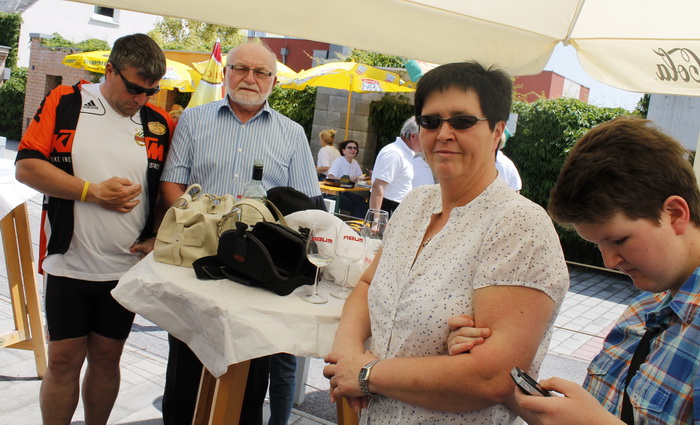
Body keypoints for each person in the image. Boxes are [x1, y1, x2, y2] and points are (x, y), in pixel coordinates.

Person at [322, 61, 569, 424]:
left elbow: (492, 377)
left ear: (497, 132)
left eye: (462, 121)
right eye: (431, 121)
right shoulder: (416, 204)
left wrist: (366, 375)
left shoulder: (518, 225)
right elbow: (368, 283)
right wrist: (346, 350)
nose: (444, 133)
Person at [448, 116, 700, 424]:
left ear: (675, 213)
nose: (609, 262)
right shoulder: (645, 308)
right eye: (598, 245)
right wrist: (487, 368)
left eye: (619, 240)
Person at [159, 41, 324, 425]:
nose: (250, 78)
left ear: (273, 81)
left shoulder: (292, 133)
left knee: (249, 377)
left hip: (258, 271)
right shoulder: (193, 120)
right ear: (226, 73)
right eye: (241, 69)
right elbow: (172, 185)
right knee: (185, 369)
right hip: (197, 262)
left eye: (261, 72)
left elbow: (307, 208)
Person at [15, 33, 172, 425]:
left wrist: (158, 236)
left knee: (107, 358)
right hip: (68, 262)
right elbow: (27, 167)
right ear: (110, 70)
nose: (141, 99)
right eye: (134, 88)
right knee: (63, 360)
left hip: (124, 269)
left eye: (151, 92)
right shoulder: (65, 102)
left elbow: (168, 191)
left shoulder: (159, 124)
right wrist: (91, 192)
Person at [369, 117, 422, 216]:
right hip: (388, 208)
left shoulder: (404, 152)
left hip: (397, 208)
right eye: (423, 137)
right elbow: (378, 186)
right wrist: (376, 219)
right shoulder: (394, 153)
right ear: (413, 136)